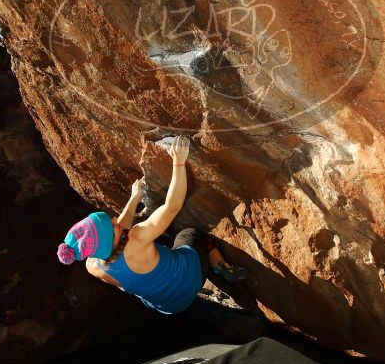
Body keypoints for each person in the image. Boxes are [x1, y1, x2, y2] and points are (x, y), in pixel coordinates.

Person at [56, 135, 248, 314]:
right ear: (111, 239)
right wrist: (178, 161)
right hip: (190, 279)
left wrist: (134, 199)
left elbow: (114, 237)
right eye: (111, 224)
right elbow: (172, 206)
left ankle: (215, 270)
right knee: (191, 234)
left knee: (159, 247)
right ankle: (219, 265)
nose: (115, 220)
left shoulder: (94, 265)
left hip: (172, 306)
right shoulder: (138, 237)